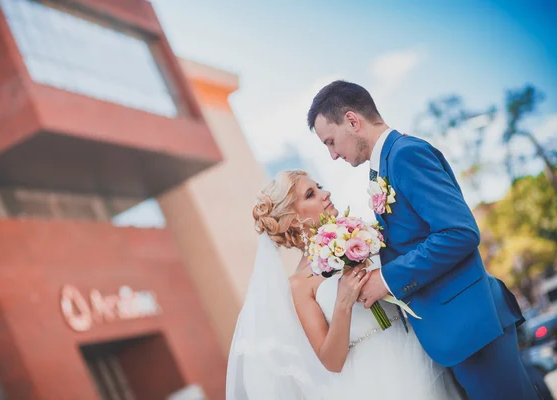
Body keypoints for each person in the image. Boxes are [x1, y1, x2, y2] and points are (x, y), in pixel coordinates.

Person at [307, 80, 538, 399]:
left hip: (473, 326)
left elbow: (459, 233)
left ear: (352, 121)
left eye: (331, 142)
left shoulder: (405, 154)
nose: (332, 155)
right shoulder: (385, 166)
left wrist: (386, 279)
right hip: (458, 333)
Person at [226, 170, 462, 399]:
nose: (324, 193)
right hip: (374, 377)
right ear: (294, 220)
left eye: (318, 186)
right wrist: (343, 302)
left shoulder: (363, 235)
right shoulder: (300, 284)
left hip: (418, 344)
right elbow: (331, 361)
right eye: (311, 194)